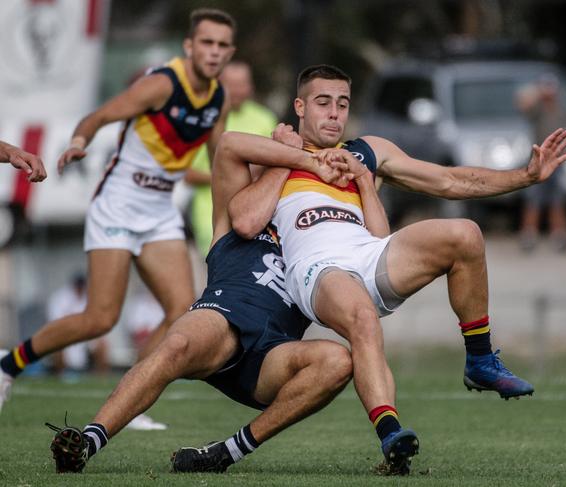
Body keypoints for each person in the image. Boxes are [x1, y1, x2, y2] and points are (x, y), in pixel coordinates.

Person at [221, 65, 566, 472]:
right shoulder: (276, 152)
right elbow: (245, 220)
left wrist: (526, 176)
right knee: (362, 317)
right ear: (300, 106)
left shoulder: (367, 151)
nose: (334, 113)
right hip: (315, 268)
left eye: (342, 103)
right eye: (323, 103)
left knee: (465, 234)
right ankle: (390, 431)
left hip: (368, 253)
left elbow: (448, 181)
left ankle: (479, 359)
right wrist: (290, 156)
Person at [47, 125, 356, 475]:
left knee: (338, 361)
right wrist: (291, 159)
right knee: (176, 344)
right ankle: (88, 441)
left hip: (272, 356)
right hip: (222, 320)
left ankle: (225, 453)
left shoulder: (322, 235)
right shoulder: (236, 211)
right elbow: (229, 144)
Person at [0, 8, 236, 427]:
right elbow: (99, 117)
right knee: (100, 318)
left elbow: (220, 165)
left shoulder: (218, 99)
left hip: (160, 209)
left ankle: (131, 398)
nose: (214, 52)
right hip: (118, 203)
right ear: (190, 46)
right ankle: (8, 365)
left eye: (222, 45)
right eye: (207, 43)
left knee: (181, 309)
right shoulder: (162, 83)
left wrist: (230, 218)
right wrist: (77, 142)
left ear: (229, 51)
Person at [187, 60, 278, 256]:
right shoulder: (204, 118)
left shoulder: (265, 118)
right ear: (218, 84)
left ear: (250, 87)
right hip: (212, 216)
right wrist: (232, 177)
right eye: (231, 85)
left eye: (241, 85)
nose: (237, 91)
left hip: (257, 214)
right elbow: (187, 173)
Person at [516, 73, 566, 252]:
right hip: (538, 161)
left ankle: (559, 235)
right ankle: (529, 235)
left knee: (557, 200)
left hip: (557, 162)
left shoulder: (562, 109)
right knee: (534, 199)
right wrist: (537, 93)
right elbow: (522, 104)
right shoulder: (537, 108)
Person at [47, 274, 109, 377]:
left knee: (102, 345)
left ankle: (100, 378)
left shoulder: (88, 297)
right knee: (58, 346)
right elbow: (55, 323)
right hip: (65, 335)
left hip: (85, 335)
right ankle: (60, 376)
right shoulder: (60, 298)